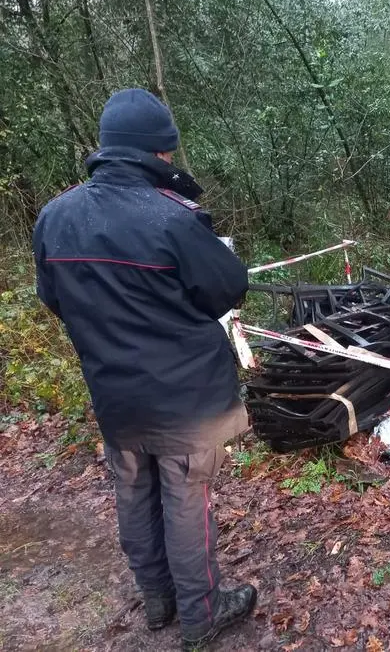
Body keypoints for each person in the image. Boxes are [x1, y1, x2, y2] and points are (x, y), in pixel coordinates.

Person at [32, 88, 257, 650]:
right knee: (185, 497)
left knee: (133, 492)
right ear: (156, 154)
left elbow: (53, 298)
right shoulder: (172, 220)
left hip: (114, 393)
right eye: (168, 153)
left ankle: (157, 601)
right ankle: (203, 613)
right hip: (185, 397)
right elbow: (227, 289)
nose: (171, 162)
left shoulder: (55, 217)